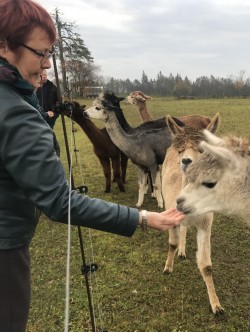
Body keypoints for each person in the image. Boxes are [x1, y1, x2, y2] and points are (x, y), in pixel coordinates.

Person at [0, 1, 185, 331]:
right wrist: (141, 217)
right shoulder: (15, 113)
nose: (45, 65)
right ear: (4, 45)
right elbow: (60, 202)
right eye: (39, 54)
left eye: (49, 56)